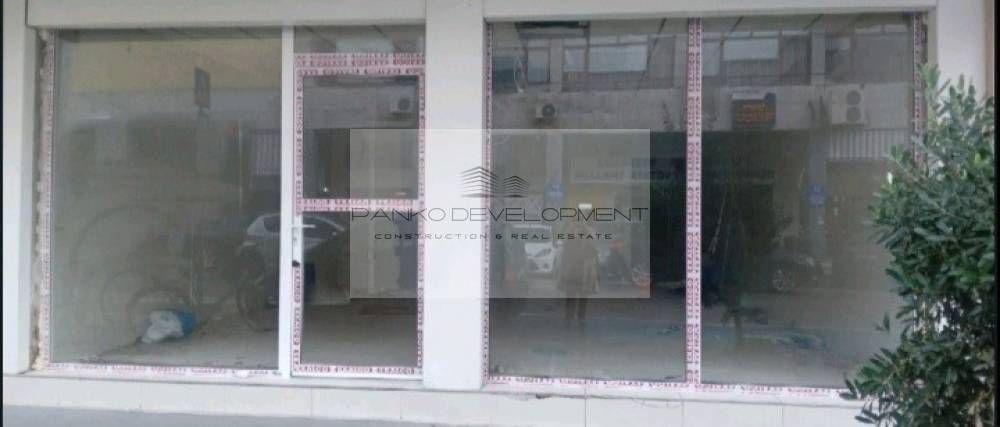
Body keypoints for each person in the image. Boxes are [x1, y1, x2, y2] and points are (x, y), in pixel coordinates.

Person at [558, 221, 599, 322]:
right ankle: (577, 316)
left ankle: (573, 316)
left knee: (575, 293)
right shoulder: (586, 233)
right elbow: (594, 251)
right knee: (578, 293)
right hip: (579, 268)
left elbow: (565, 251)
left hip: (576, 268)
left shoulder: (574, 232)